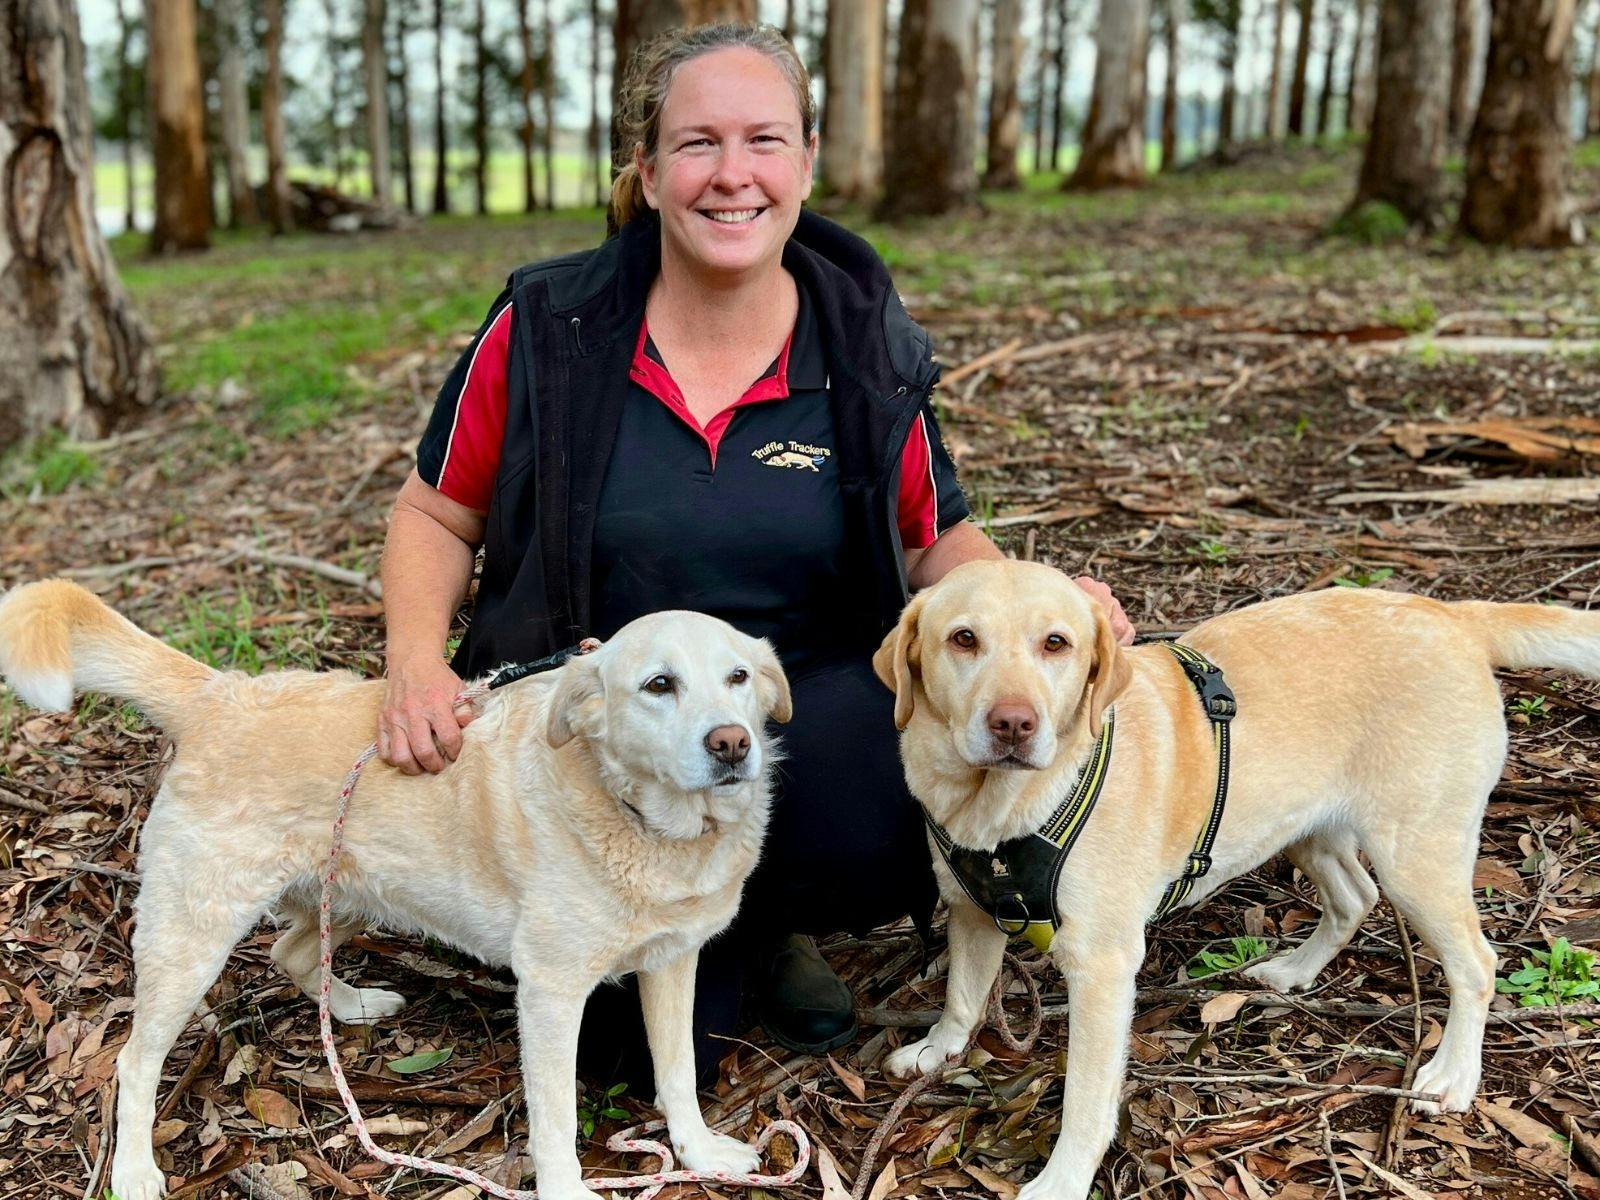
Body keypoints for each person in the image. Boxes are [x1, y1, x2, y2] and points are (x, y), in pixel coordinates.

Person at [377, 22, 1133, 1074]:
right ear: (646, 171)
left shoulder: (860, 343)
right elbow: (433, 513)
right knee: (626, 1066)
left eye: (764, 141)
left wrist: (1041, 608)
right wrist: (414, 664)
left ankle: (754, 914)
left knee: (919, 773)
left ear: (807, 160)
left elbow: (937, 538)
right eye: (696, 145)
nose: (732, 176)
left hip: (797, 716)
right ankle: (659, 922)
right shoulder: (551, 327)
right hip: (602, 728)